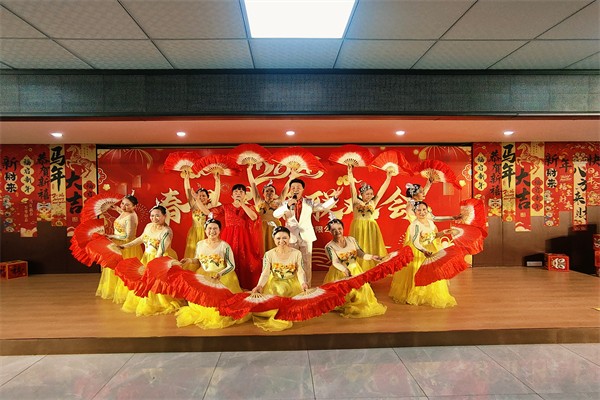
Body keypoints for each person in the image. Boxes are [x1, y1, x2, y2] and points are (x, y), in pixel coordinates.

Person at [176, 218, 249, 329]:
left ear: (219, 230)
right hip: (204, 274)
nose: (212, 231)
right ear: (205, 230)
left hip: (222, 277)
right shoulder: (200, 244)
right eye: (209, 228)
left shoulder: (224, 246)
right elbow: (198, 260)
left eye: (215, 228)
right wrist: (190, 260)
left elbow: (231, 265)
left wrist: (220, 274)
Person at [273, 178, 343, 286]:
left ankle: (307, 286)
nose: (295, 189)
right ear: (290, 190)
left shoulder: (309, 202)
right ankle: (294, 286)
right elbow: (276, 214)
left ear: (302, 189)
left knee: (306, 262)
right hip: (291, 237)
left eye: (298, 187)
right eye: (293, 188)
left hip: (306, 236)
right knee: (292, 262)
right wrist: (287, 206)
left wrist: (334, 198)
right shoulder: (285, 203)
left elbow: (322, 207)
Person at [389, 201, 457, 308]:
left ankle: (428, 295)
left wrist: (443, 232)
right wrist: (424, 251)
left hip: (430, 249)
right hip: (418, 250)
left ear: (427, 210)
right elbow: (415, 242)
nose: (422, 212)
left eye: (424, 210)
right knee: (417, 271)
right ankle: (416, 295)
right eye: (419, 210)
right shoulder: (415, 225)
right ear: (414, 212)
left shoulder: (430, 222)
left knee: (432, 272)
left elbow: (434, 236)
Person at [196, 183, 262, 290]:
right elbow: (208, 212)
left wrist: (242, 204)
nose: (238, 193)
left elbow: (254, 217)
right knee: (228, 259)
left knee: (243, 260)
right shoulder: (225, 207)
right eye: (236, 191)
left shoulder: (249, 207)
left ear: (245, 195)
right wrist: (197, 200)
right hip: (229, 236)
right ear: (232, 195)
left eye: (241, 191)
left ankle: (242, 286)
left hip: (243, 238)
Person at [119, 205, 183, 315]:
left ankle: (159, 303)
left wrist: (152, 266)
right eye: (152, 216)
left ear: (164, 216)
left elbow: (161, 251)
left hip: (159, 259)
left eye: (157, 216)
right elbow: (141, 238)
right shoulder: (149, 226)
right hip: (147, 257)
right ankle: (147, 299)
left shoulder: (166, 231)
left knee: (156, 282)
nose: (154, 218)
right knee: (144, 281)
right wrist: (125, 246)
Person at [324, 218, 387, 318]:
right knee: (343, 295)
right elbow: (335, 262)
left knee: (362, 292)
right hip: (340, 272)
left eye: (339, 228)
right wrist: (345, 270)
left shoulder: (351, 240)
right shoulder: (329, 246)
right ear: (330, 231)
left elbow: (360, 253)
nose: (337, 232)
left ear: (343, 228)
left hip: (355, 269)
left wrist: (371, 257)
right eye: (333, 230)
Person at [251, 226, 309, 331]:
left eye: (284, 238)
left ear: (289, 238)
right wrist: (259, 286)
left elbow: (300, 271)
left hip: (292, 284)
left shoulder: (297, 253)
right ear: (274, 239)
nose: (281, 241)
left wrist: (303, 283)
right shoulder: (269, 254)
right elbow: (265, 273)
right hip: (275, 284)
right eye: (278, 238)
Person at [98, 193, 143, 301]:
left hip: (126, 246)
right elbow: (122, 214)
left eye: (127, 205)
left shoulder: (131, 217)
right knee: (116, 268)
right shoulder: (125, 212)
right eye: (122, 203)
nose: (123, 206)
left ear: (134, 206)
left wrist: (111, 236)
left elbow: (128, 236)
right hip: (117, 243)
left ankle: (126, 293)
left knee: (124, 270)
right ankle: (116, 290)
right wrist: (116, 208)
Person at [347, 166, 392, 270]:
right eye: (367, 194)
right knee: (359, 247)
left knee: (370, 246)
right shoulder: (356, 201)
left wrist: (388, 178)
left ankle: (370, 269)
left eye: (371, 194)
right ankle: (358, 269)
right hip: (358, 228)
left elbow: (382, 190)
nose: (370, 195)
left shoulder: (373, 202)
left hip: (371, 228)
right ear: (361, 194)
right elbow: (352, 186)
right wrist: (350, 173)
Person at [183, 170, 220, 259]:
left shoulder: (211, 206)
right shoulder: (194, 205)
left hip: (207, 233)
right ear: (196, 196)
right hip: (194, 233)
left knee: (206, 253)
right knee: (194, 253)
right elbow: (187, 191)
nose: (201, 197)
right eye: (199, 196)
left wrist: (217, 180)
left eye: (204, 196)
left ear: (208, 197)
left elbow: (217, 193)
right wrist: (186, 179)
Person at [247, 165, 282, 253]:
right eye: (267, 191)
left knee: (275, 249)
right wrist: (249, 170)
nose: (269, 193)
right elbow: (253, 184)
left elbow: (286, 188)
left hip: (275, 227)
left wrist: (291, 178)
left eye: (272, 191)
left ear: (275, 194)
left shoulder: (278, 202)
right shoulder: (259, 201)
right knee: (262, 249)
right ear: (263, 193)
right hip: (261, 228)